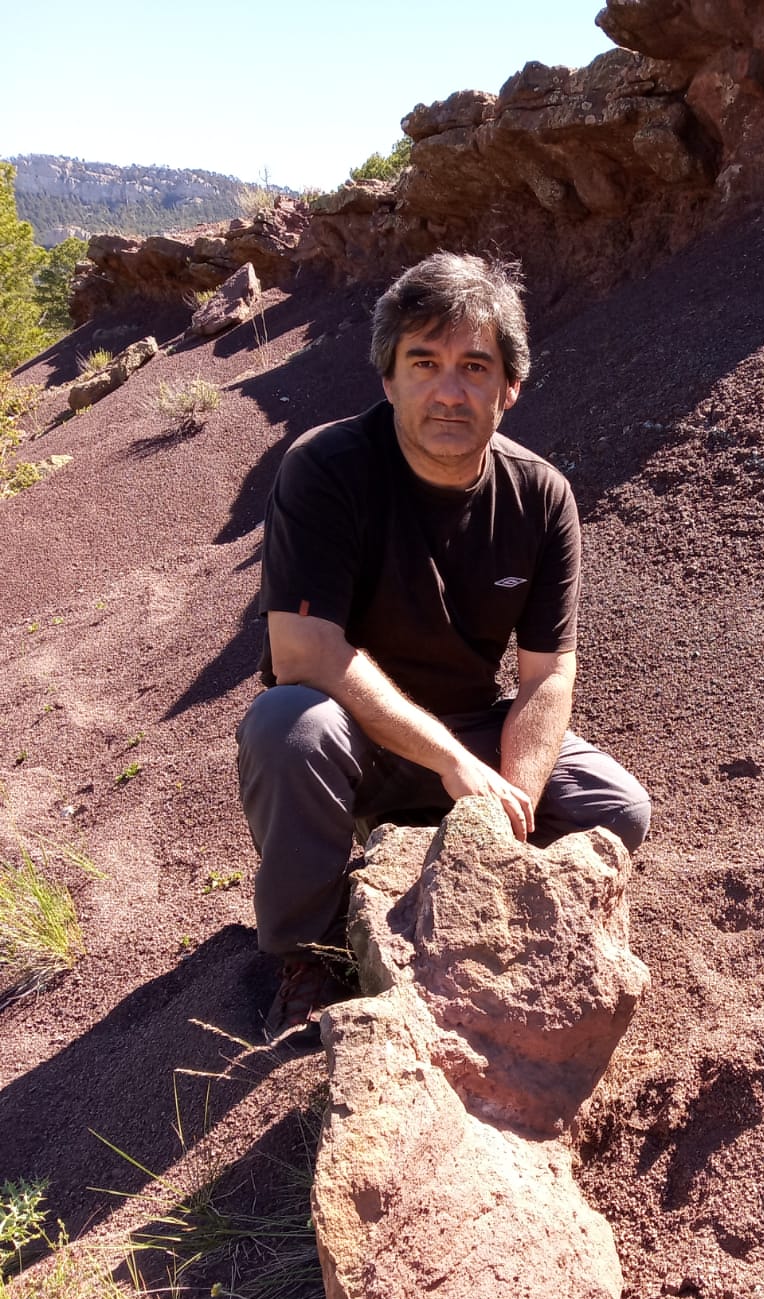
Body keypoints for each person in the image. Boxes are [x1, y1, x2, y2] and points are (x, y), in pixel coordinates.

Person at [237, 251, 651, 1044]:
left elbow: (548, 673)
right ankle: (311, 954)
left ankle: (465, 890)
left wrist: (510, 810)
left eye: (474, 366)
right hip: (356, 742)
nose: (449, 390)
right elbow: (303, 653)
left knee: (617, 809)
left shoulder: (540, 495)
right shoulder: (325, 469)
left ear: (510, 389)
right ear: (388, 379)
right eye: (423, 363)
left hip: (472, 730)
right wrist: (455, 766)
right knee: (289, 725)